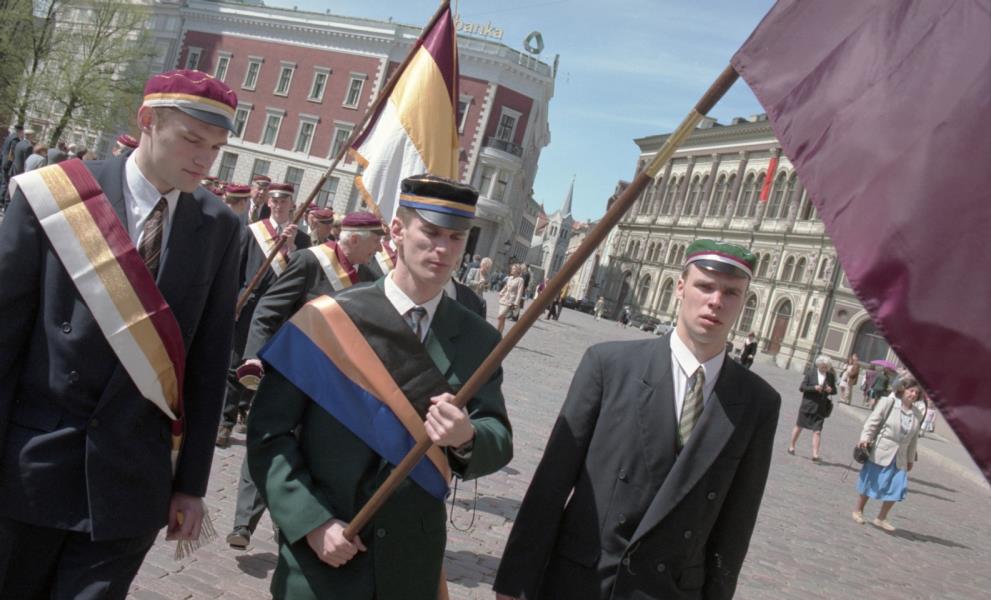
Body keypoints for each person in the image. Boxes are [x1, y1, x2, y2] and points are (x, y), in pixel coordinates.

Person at [0, 68, 241, 597]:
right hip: (32, 464)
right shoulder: (56, 195)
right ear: (147, 120)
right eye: (192, 140)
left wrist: (190, 485)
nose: (205, 160)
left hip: (131, 480)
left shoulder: (220, 226)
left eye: (217, 148)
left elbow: (207, 363)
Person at [247, 174, 513, 600]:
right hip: (325, 554)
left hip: (409, 564)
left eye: (456, 237)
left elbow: (497, 436)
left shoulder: (478, 338)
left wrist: (466, 437)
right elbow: (268, 433)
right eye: (431, 232)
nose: (444, 249)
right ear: (397, 230)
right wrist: (311, 521)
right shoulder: (327, 320)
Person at [494, 239, 780, 600]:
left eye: (731, 292)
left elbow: (736, 526)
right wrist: (515, 583)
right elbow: (551, 483)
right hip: (586, 583)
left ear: (745, 301)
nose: (716, 301)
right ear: (680, 287)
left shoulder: (757, 402)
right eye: (705, 286)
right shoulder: (609, 366)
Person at [225, 211, 385, 549]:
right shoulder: (309, 262)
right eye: (375, 240)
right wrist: (253, 356)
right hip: (290, 371)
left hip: (333, 383)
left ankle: (292, 521)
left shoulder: (370, 276)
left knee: (309, 452)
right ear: (354, 239)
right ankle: (243, 523)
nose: (379, 248)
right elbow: (268, 308)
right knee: (268, 439)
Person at [217, 182, 311, 447]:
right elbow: (236, 270)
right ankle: (225, 422)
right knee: (237, 363)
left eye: (284, 201)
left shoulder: (302, 240)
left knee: (267, 365)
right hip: (251, 304)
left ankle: (248, 411)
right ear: (269, 203)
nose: (279, 206)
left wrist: (292, 248)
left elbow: (302, 278)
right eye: (275, 201)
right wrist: (234, 303)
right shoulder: (253, 231)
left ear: (292, 204)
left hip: (281, 311)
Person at [852, 374, 925, 531]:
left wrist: (910, 459)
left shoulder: (917, 414)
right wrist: (865, 438)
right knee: (871, 481)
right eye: (911, 391)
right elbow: (872, 422)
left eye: (916, 393)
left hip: (900, 456)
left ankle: (881, 518)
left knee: (898, 487)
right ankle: (858, 510)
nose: (913, 394)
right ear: (903, 390)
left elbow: (913, 440)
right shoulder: (889, 403)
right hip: (882, 450)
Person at [787, 355, 837, 463]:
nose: (824, 368)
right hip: (808, 405)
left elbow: (834, 391)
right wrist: (814, 388)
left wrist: (830, 390)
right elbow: (802, 387)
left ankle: (815, 454)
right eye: (823, 366)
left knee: (817, 431)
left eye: (826, 367)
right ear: (818, 365)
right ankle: (791, 446)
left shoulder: (830, 376)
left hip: (821, 408)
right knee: (799, 426)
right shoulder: (811, 373)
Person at [497, 263, 524, 334]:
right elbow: (506, 287)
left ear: (518, 270)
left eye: (514, 269)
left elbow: (519, 292)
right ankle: (499, 334)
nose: (512, 270)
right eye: (512, 268)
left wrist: (516, 303)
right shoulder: (509, 278)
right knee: (502, 319)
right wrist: (501, 292)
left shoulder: (520, 280)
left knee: (500, 316)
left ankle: (496, 332)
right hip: (504, 300)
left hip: (510, 302)